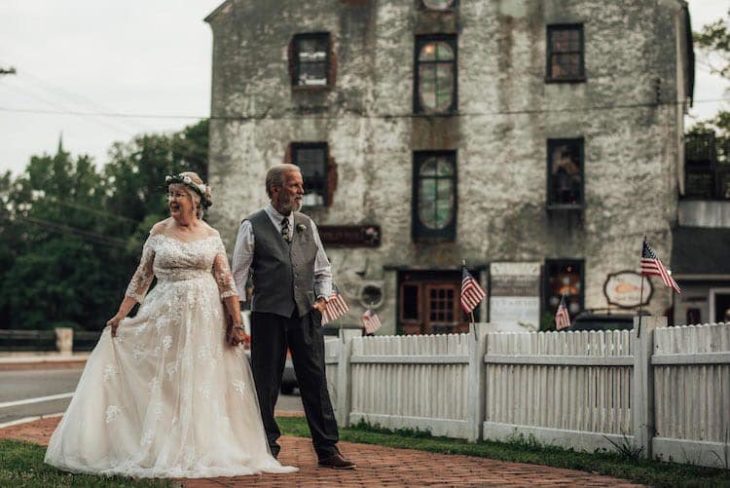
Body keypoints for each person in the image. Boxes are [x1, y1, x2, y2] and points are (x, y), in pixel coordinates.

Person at [45, 172, 297, 478]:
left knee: (201, 381)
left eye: (179, 194)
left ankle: (201, 445)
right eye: (171, 194)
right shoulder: (159, 231)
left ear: (195, 200)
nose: (172, 200)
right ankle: (161, 443)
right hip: (163, 316)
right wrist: (121, 314)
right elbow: (142, 277)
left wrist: (235, 323)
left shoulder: (211, 235)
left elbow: (227, 283)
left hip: (206, 319)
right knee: (166, 382)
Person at [231, 164, 355, 469]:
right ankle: (266, 447)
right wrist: (235, 319)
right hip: (267, 314)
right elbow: (237, 278)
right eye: (295, 186)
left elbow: (323, 269)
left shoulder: (306, 224)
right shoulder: (252, 225)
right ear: (276, 190)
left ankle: (327, 449)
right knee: (266, 383)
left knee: (314, 380)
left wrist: (323, 298)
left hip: (306, 313)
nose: (301, 191)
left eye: (301, 186)